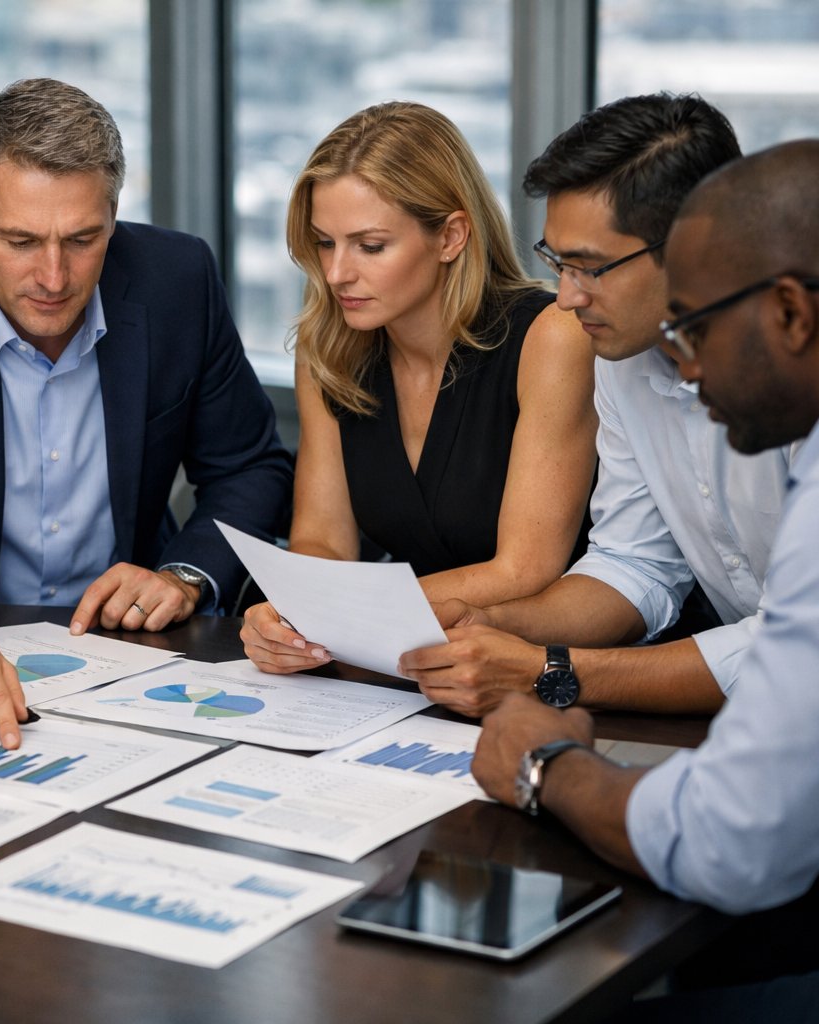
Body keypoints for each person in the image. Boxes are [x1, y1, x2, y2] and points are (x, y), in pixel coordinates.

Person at [472, 139, 819, 1021]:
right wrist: (499, 630)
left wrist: (546, 764)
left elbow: (732, 845)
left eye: (692, 329)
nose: (685, 366)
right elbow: (636, 560)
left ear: (791, 312)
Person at [0, 78, 291, 749]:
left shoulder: (178, 278)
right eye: (21, 241)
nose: (55, 278)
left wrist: (183, 577)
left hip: (135, 662)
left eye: (83, 239)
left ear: (113, 214)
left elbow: (249, 467)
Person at [398, 94, 785, 717]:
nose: (566, 298)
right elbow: (635, 565)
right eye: (557, 262)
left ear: (697, 249)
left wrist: (551, 671)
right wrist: (490, 624)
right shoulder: (623, 355)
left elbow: (806, 641)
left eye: (590, 268)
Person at [240, 102, 596, 676]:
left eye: (370, 246)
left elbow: (525, 570)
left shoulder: (552, 336)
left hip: (553, 666)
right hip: (413, 662)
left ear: (451, 236)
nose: (336, 273)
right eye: (325, 243)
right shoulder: (328, 345)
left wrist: (335, 612)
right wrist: (287, 616)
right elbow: (323, 542)